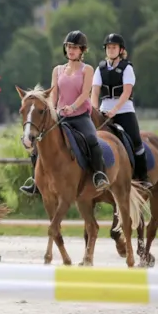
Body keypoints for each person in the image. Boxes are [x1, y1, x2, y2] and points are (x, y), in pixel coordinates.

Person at [22, 30, 109, 194]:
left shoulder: (87, 69)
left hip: (81, 116)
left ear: (82, 50)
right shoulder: (57, 70)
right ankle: (36, 181)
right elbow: (54, 93)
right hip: (61, 116)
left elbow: (85, 94)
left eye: (75, 47)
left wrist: (73, 107)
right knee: (38, 144)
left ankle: (99, 175)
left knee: (92, 139)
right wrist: (54, 109)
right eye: (68, 47)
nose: (71, 50)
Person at [91, 33, 150, 189]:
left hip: (124, 110)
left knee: (136, 142)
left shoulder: (127, 68)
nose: (110, 50)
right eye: (108, 47)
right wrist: (95, 109)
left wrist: (115, 110)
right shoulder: (100, 68)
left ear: (120, 49)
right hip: (104, 111)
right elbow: (95, 92)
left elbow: (126, 92)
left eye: (114, 47)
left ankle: (142, 177)